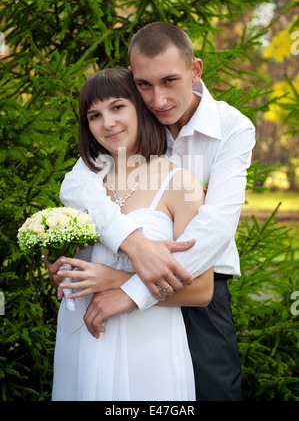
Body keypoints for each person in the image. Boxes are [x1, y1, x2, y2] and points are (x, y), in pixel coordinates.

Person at [51, 22, 256, 400]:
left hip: (198, 291)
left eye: (169, 81)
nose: (158, 98)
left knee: (214, 393)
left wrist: (130, 290)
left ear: (195, 71)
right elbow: (78, 185)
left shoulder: (232, 128)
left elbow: (215, 229)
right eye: (144, 84)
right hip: (119, 291)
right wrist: (133, 243)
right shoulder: (132, 123)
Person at [49, 67, 213, 401]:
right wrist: (67, 276)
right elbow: (82, 265)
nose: (107, 122)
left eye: (117, 107)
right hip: (83, 336)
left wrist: (115, 280)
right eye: (94, 115)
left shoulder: (179, 183)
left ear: (140, 107)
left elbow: (201, 290)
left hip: (148, 343)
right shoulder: (85, 187)